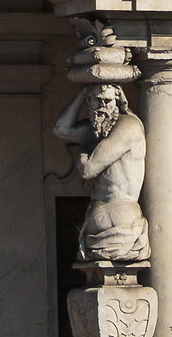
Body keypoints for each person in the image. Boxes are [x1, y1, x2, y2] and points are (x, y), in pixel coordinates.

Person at [52, 81, 149, 267]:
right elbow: (61, 129)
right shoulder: (100, 131)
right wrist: (81, 94)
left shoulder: (128, 126)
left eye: (108, 101)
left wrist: (83, 150)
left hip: (121, 218)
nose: (103, 107)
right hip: (99, 218)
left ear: (119, 100)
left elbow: (88, 169)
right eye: (97, 101)